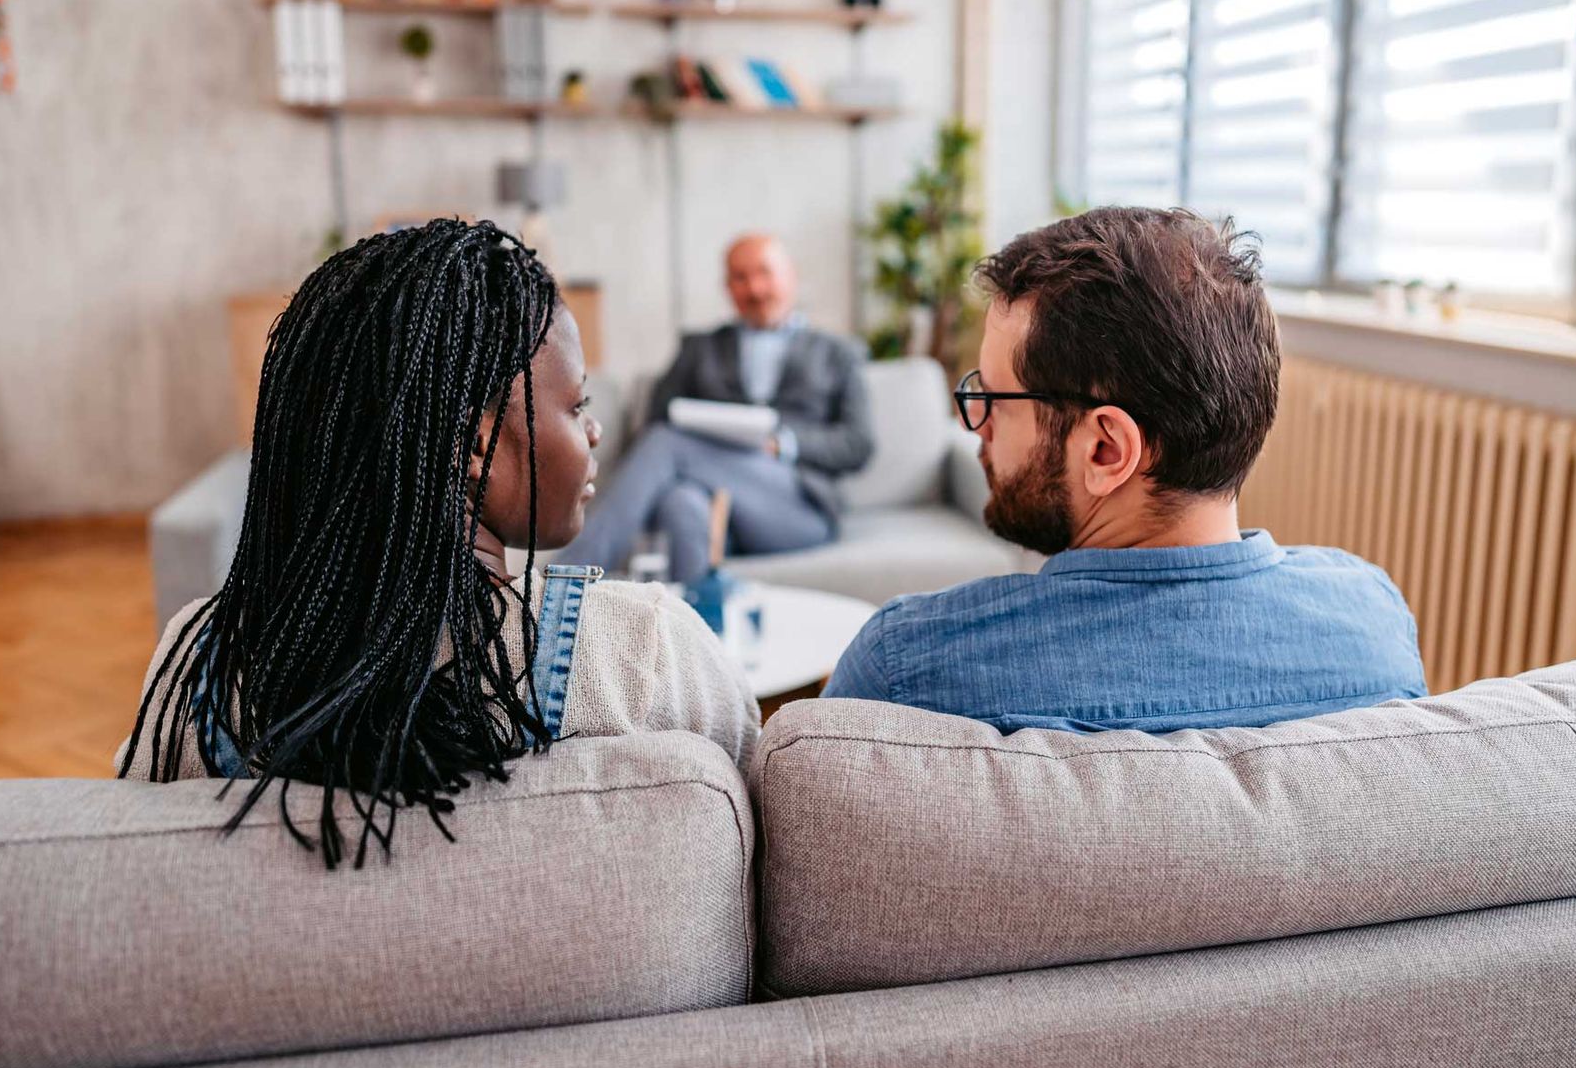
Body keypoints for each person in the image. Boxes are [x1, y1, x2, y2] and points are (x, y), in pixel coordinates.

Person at [117, 220, 758, 868]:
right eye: (576, 405)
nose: (592, 431)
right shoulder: (646, 654)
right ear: (477, 444)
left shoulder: (200, 666)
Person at [823, 206, 1425, 732]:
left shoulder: (905, 671)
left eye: (995, 400)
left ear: (1106, 450)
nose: (974, 426)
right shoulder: (1374, 624)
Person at [560, 233, 873, 583]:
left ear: (791, 276)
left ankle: (565, 581)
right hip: (716, 505)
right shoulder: (700, 348)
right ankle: (695, 629)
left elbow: (858, 443)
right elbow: (655, 419)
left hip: (797, 506)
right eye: (740, 278)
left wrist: (785, 444)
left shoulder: (838, 353)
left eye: (765, 273)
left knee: (667, 444)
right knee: (681, 504)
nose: (754, 288)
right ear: (728, 287)